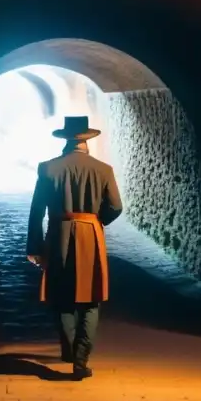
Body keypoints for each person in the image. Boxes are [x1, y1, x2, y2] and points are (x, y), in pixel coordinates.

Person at [26, 116, 123, 379]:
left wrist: (34, 246)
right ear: (88, 140)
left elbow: (37, 211)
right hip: (90, 234)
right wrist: (95, 219)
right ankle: (81, 359)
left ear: (66, 140)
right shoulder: (104, 169)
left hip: (59, 233)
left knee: (62, 294)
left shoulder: (48, 168)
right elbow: (116, 206)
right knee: (90, 300)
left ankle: (68, 349)